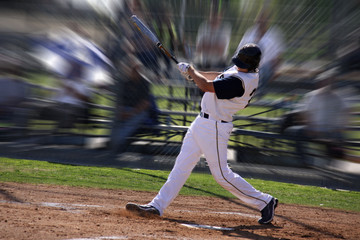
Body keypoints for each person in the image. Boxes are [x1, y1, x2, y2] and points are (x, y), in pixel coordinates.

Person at [126, 43, 278, 225]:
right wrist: (193, 73)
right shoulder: (243, 71)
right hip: (202, 123)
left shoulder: (240, 82)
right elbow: (217, 76)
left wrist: (191, 71)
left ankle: (265, 201)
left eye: (241, 63)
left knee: (222, 175)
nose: (237, 65)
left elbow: (207, 86)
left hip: (214, 127)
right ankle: (157, 206)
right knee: (181, 167)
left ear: (250, 65)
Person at [282, 69, 350, 163]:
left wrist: (310, 126)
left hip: (321, 130)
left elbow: (306, 113)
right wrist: (340, 128)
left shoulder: (316, 96)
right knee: (297, 130)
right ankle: (310, 159)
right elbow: (345, 112)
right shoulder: (335, 97)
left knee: (295, 131)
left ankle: (303, 159)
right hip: (327, 131)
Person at [237, 9, 285, 99]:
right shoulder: (250, 33)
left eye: (263, 20)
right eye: (259, 20)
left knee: (262, 70)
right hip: (248, 65)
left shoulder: (274, 34)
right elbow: (239, 51)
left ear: (268, 21)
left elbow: (278, 57)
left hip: (264, 67)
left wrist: (275, 70)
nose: (260, 22)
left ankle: (254, 93)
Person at [109, 55, 152, 153]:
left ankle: (117, 143)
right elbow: (120, 100)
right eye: (132, 69)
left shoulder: (144, 82)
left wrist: (131, 113)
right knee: (115, 119)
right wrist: (121, 111)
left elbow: (146, 104)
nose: (135, 72)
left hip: (140, 111)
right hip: (126, 109)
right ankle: (114, 141)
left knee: (131, 122)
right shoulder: (125, 82)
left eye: (137, 69)